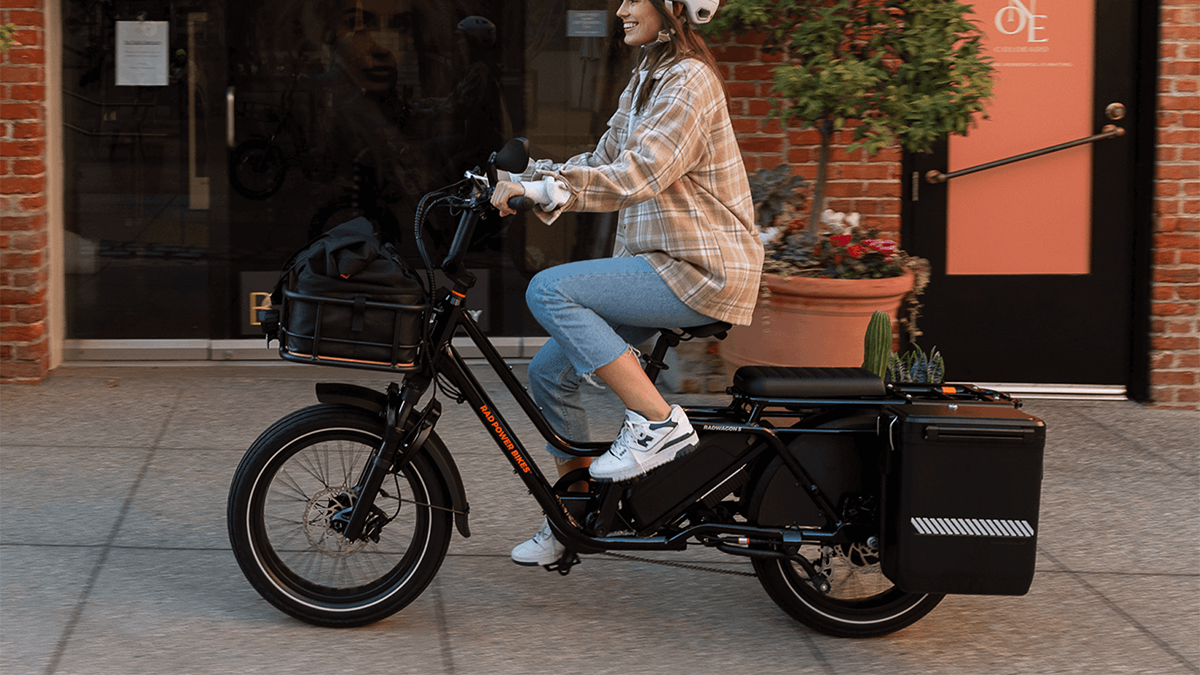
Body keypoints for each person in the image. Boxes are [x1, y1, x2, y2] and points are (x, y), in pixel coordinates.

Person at [489, 0, 763, 567]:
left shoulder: (690, 81)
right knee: (547, 373)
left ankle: (659, 423)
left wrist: (545, 192)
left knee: (548, 289)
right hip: (659, 265)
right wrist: (527, 178)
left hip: (699, 269)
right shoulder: (648, 76)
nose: (619, 9)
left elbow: (642, 175)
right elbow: (606, 157)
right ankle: (574, 516)